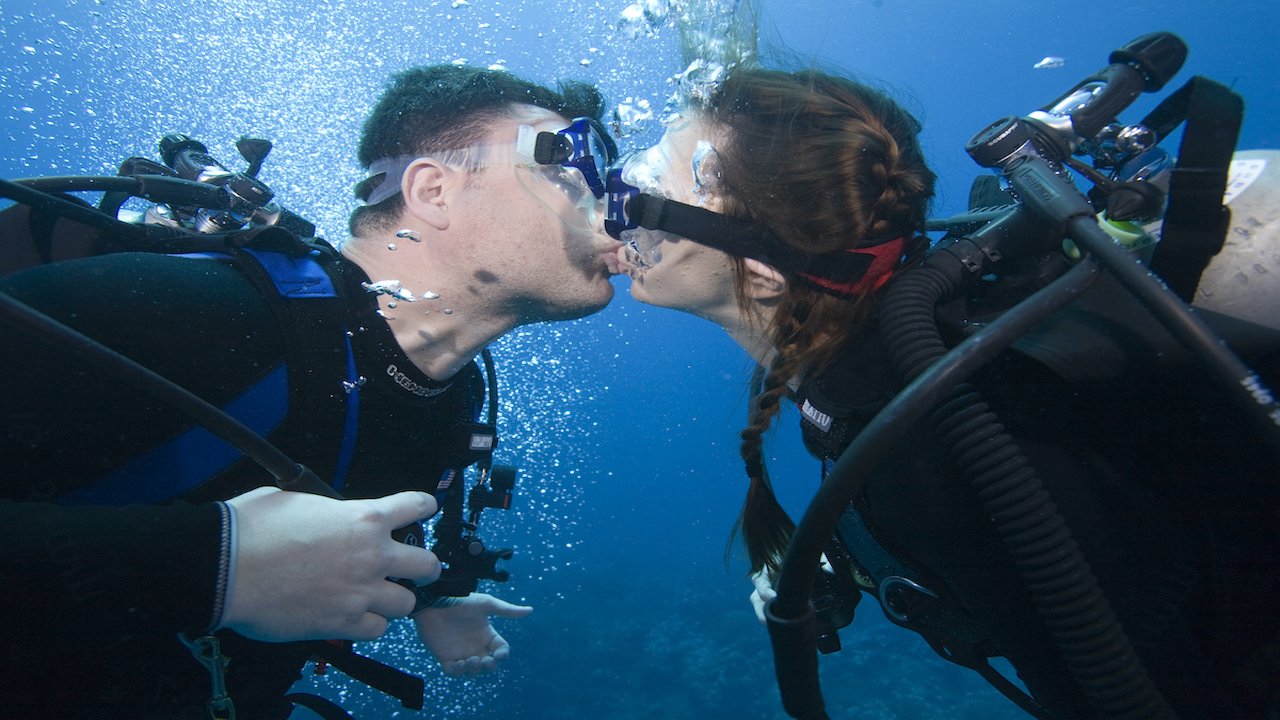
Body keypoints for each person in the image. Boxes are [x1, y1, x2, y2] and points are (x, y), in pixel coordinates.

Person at [608, 65, 1279, 718]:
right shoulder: (908, 363)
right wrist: (854, 561)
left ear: (759, 278)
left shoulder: (945, 449)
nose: (616, 212)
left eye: (642, 186)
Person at [0, 64, 622, 718]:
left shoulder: (448, 402)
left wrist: (428, 601)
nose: (615, 200)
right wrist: (214, 566)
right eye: (564, 161)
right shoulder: (182, 311)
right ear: (434, 190)